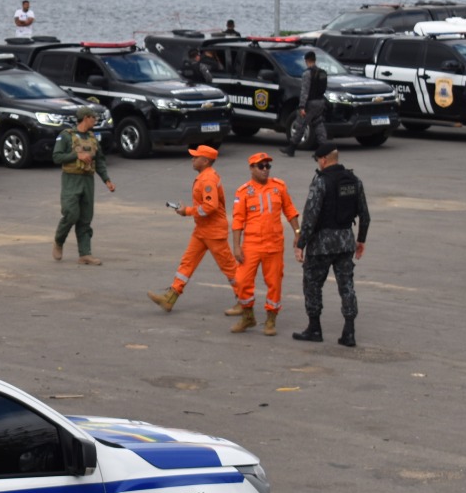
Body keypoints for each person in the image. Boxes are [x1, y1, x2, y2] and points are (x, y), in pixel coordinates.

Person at [147, 145, 244, 313]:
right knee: (187, 262)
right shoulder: (205, 176)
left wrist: (187, 211)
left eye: (196, 157)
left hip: (213, 232)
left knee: (229, 267)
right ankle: (171, 297)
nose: (192, 159)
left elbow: (210, 206)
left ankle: (244, 302)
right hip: (203, 230)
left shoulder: (207, 180)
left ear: (205, 161)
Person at [293, 143, 370, 347]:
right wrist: (360, 240)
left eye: (318, 160)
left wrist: (301, 243)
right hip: (346, 241)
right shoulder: (354, 180)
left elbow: (310, 217)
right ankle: (349, 331)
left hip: (322, 244)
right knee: (347, 286)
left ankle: (314, 328)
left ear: (324, 159)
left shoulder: (321, 181)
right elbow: (365, 215)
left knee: (312, 284)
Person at [229, 151, 300, 335]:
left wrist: (298, 233)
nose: (265, 170)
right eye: (261, 166)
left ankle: (271, 319)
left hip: (274, 244)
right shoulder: (243, 192)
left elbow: (290, 211)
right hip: (251, 244)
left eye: (268, 166)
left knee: (274, 282)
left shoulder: (279, 187)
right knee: (242, 280)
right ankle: (248, 316)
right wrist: (236, 246)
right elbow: (237, 221)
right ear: (251, 168)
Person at [52, 106, 115, 265]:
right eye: (93, 118)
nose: (95, 120)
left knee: (86, 218)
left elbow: (99, 160)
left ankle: (85, 254)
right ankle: (59, 241)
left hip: (88, 181)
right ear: (86, 118)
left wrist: (107, 180)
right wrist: (77, 155)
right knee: (71, 214)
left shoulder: (93, 138)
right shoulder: (66, 136)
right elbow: (57, 157)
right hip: (71, 180)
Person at [286, 51, 328, 157]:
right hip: (320, 102)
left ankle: (291, 148)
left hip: (310, 103)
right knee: (318, 124)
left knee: (300, 124)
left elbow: (304, 91)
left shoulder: (307, 73)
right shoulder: (322, 72)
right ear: (314, 59)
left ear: (306, 60)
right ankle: (324, 149)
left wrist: (302, 106)